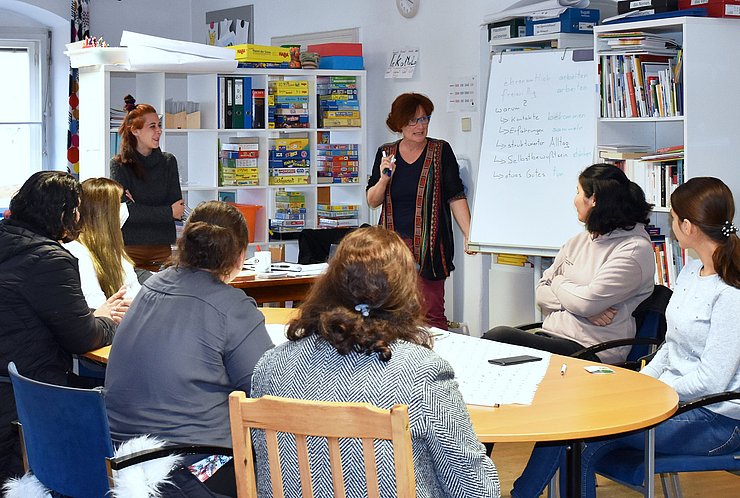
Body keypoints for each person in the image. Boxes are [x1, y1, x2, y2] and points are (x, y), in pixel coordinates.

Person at [511, 177, 740, 498]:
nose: (672, 225)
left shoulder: (731, 294)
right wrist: (641, 384)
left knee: (584, 436)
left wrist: (654, 393)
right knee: (571, 425)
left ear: (688, 227)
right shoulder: (691, 271)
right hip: (674, 401)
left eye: (674, 219)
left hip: (716, 420)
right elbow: (671, 347)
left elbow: (713, 381)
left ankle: (521, 495)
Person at [251, 226, 500, 498]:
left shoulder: (270, 366)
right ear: (404, 292)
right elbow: (476, 488)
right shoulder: (422, 374)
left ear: (330, 283)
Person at [104, 200, 274, 497]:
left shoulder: (149, 288)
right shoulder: (232, 307)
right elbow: (264, 391)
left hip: (121, 461)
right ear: (240, 256)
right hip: (186, 471)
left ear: (184, 244)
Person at [0, 171, 126, 481]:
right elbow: (82, 338)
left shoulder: (9, 241)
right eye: (77, 208)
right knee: (124, 401)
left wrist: (93, 316)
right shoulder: (50, 260)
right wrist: (108, 319)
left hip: (9, 382)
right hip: (30, 393)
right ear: (62, 214)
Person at [484, 163, 655, 364]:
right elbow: (541, 292)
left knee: (499, 337)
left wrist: (559, 283)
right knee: (493, 346)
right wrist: (581, 306)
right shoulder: (579, 241)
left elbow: (585, 302)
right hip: (552, 337)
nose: (574, 200)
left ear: (593, 200)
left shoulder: (633, 250)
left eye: (578, 192)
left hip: (592, 350)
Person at [366, 92, 473, 330]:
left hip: (431, 247)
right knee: (390, 314)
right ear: (399, 124)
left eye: (425, 119)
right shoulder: (386, 153)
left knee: (432, 316)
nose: (420, 126)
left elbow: (455, 196)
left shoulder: (440, 150)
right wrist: (384, 178)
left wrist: (469, 234)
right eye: (413, 121)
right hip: (392, 248)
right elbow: (373, 200)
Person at [110, 95, 185, 271]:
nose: (158, 131)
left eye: (159, 125)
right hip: (130, 249)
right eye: (152, 126)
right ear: (135, 130)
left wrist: (141, 208)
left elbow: (178, 210)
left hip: (162, 248)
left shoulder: (168, 161)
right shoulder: (119, 164)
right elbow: (126, 211)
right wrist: (167, 211)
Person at [64, 177, 141, 309]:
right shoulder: (78, 253)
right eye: (119, 203)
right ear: (106, 212)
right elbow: (96, 306)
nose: (123, 209)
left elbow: (137, 293)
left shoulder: (115, 252)